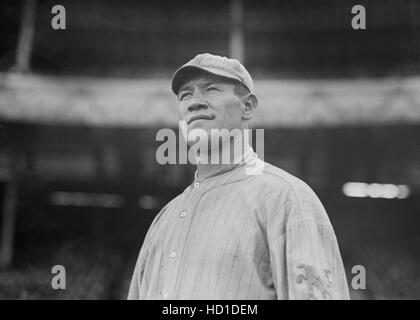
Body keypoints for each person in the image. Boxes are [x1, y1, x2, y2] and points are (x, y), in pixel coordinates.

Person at [128, 53, 350, 300]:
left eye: (210, 90)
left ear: (248, 106)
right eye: (185, 95)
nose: (194, 103)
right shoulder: (164, 218)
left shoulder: (287, 197)